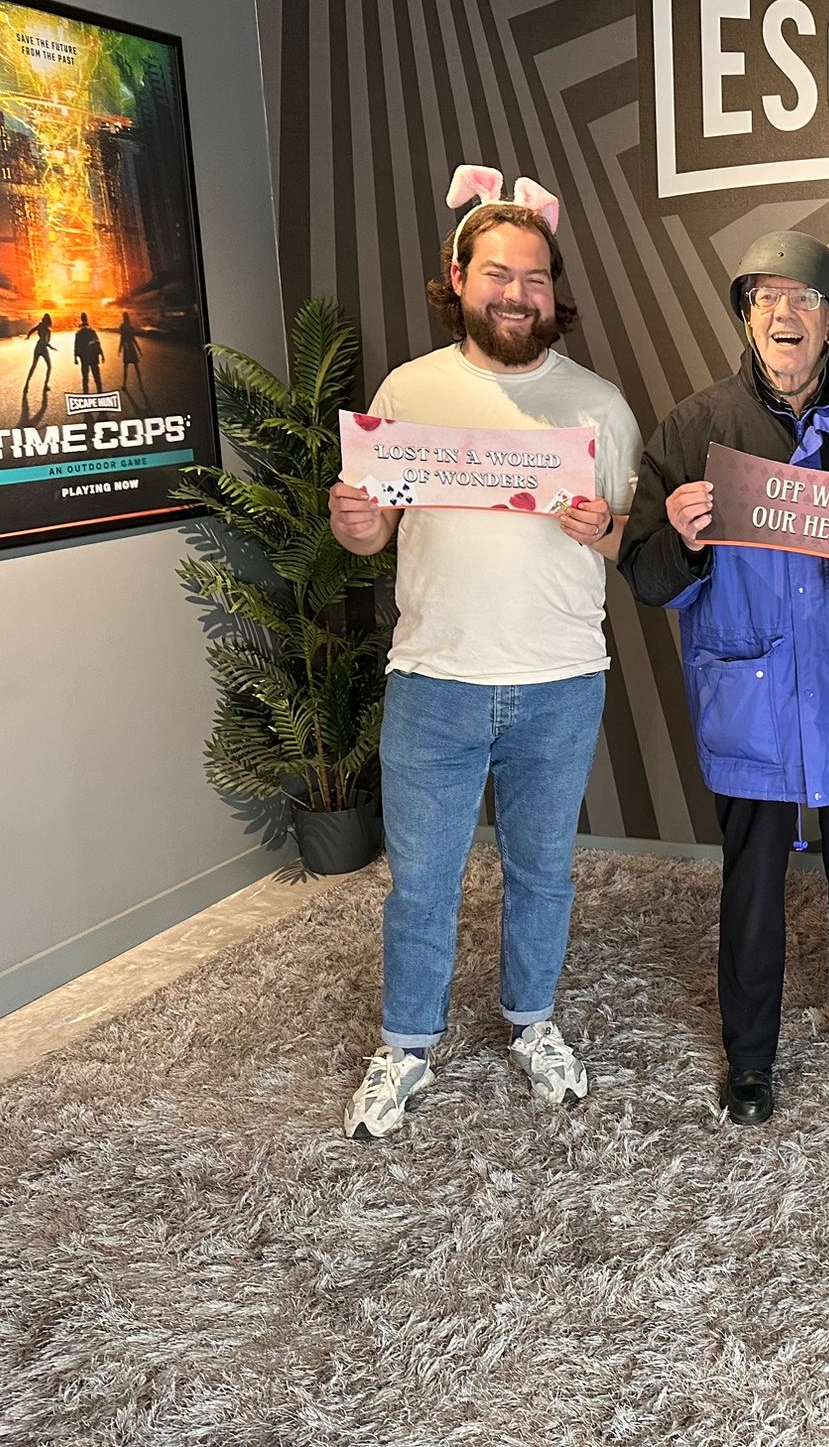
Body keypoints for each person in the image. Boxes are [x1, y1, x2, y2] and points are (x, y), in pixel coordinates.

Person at [328, 169, 641, 1141]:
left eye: (535, 277)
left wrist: (605, 527)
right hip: (435, 680)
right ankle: (406, 1043)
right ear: (458, 277)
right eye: (498, 274)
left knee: (543, 874)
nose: (517, 293)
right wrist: (355, 524)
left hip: (560, 684)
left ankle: (531, 1020)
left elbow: (633, 542)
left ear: (554, 291)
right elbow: (370, 535)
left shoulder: (597, 405)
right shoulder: (410, 390)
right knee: (422, 883)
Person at [616, 232, 829, 1126]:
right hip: (751, 697)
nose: (783, 313)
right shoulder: (694, 427)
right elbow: (647, 576)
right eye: (765, 298)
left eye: (803, 298)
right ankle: (750, 1059)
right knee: (751, 888)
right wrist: (682, 538)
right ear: (745, 318)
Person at [72, 313, 102, 393]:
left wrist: (75, 357)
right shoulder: (91, 330)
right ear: (86, 318)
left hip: (84, 357)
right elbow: (97, 342)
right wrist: (101, 353)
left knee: (85, 378)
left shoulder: (79, 332)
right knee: (97, 376)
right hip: (93, 356)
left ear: (81, 319)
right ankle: (100, 392)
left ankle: (86, 394)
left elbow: (76, 345)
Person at [23, 313, 52, 393]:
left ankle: (27, 384)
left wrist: (28, 337)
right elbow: (46, 342)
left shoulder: (41, 327)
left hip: (38, 347)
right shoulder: (47, 330)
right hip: (43, 348)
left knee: (33, 366)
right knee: (49, 366)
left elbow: (31, 331)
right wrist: (50, 346)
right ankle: (45, 385)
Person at [118, 313, 143, 394]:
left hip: (126, 348)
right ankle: (140, 385)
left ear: (123, 317)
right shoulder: (130, 327)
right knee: (136, 367)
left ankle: (124, 384)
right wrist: (139, 349)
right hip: (132, 348)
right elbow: (133, 339)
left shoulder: (122, 326)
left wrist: (120, 349)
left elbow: (122, 338)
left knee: (125, 367)